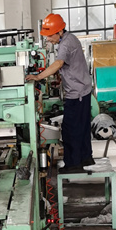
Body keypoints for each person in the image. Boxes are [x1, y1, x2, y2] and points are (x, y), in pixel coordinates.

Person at [26, 12, 93, 170]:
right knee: (82, 127)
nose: (48, 39)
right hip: (82, 90)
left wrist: (38, 76)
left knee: (70, 130)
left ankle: (73, 165)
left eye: (50, 35)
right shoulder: (69, 39)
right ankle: (85, 158)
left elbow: (59, 63)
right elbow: (66, 66)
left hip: (77, 94)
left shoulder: (65, 44)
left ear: (59, 31)